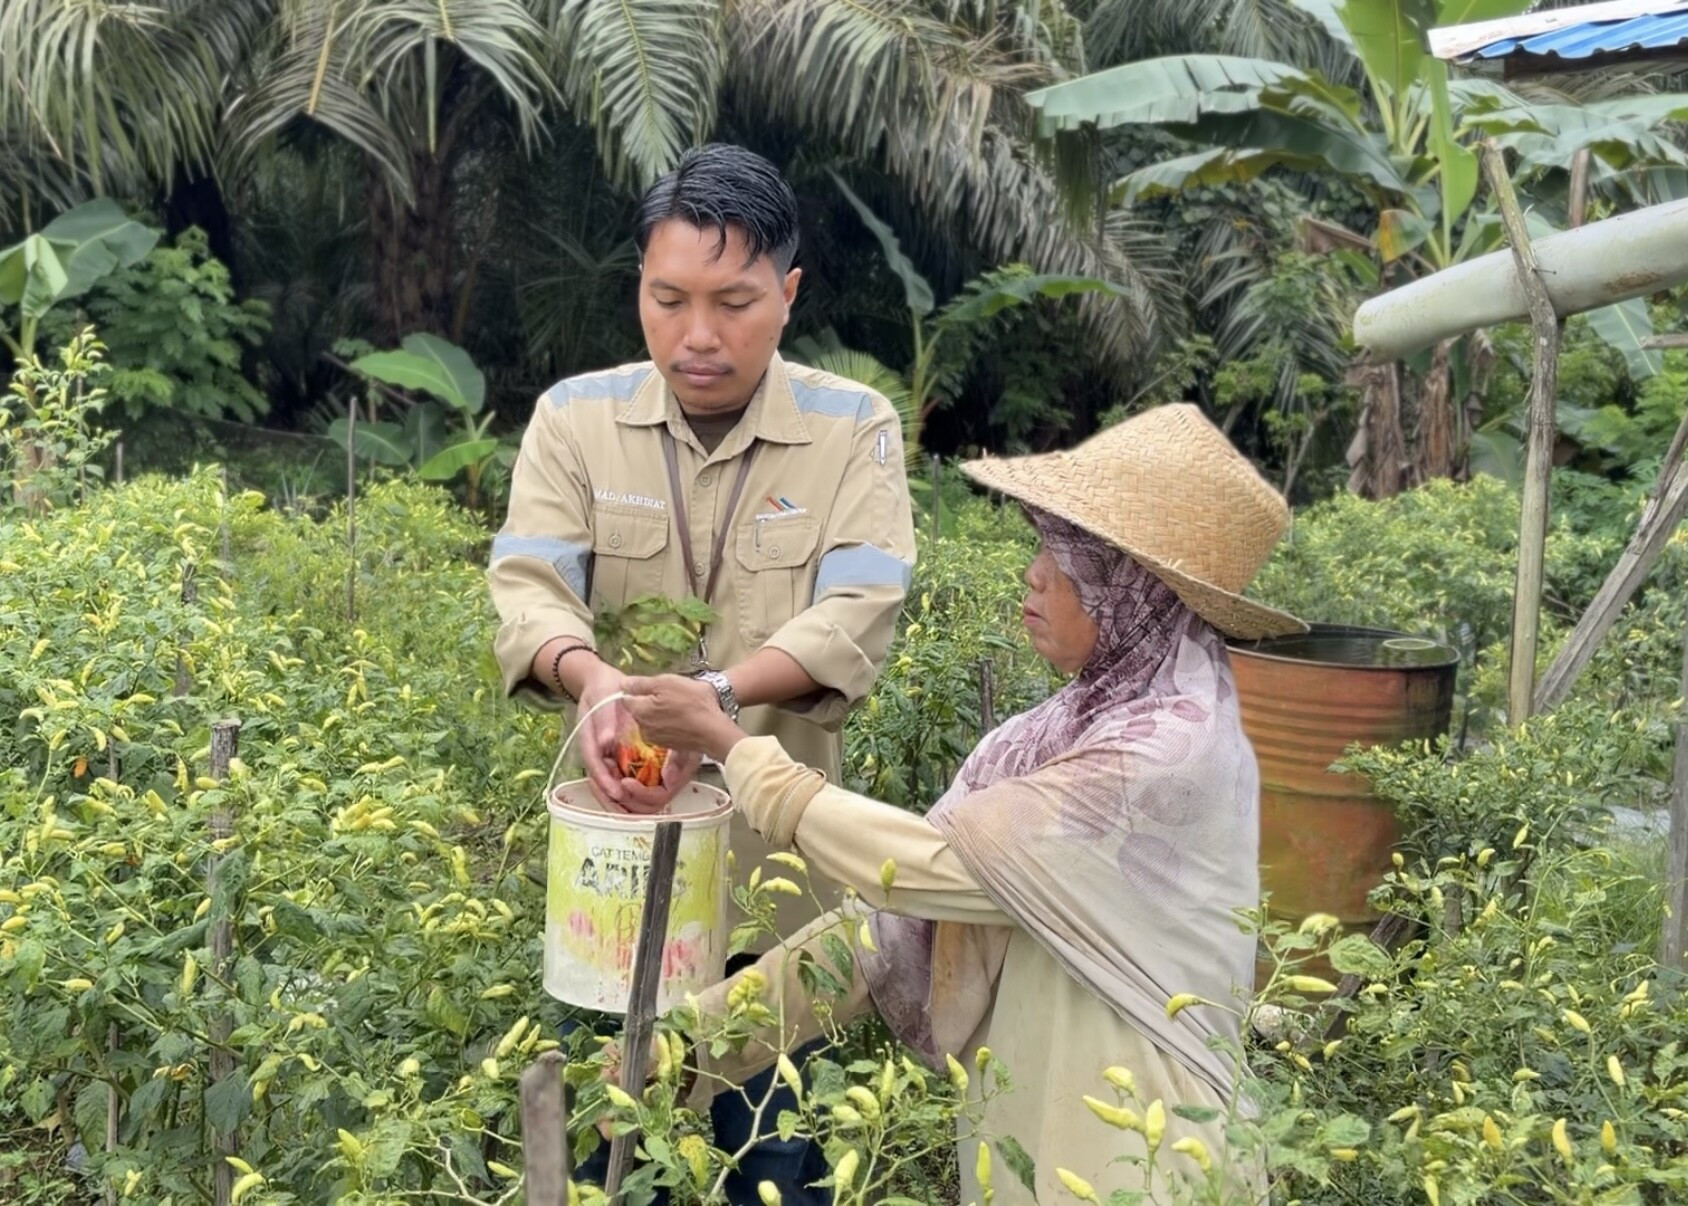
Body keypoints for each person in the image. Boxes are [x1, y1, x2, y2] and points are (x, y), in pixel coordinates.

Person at [621, 403, 1307, 1204]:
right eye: (1040, 546)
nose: (1036, 573)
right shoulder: (1070, 728)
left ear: (1132, 590)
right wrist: (681, 1050)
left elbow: (925, 870)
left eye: (1068, 556)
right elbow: (878, 934)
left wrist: (736, 747)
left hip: (1147, 1170)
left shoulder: (1165, 754)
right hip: (1035, 1160)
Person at [486, 142, 916, 1204]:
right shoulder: (575, 421)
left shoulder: (851, 429)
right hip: (611, 871)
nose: (698, 334)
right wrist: (595, 684)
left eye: (733, 300)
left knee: (771, 1164)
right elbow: (529, 583)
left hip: (774, 888)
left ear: (788, 292)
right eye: (667, 297)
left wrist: (715, 705)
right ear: (638, 283)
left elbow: (862, 605)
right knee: (608, 1156)